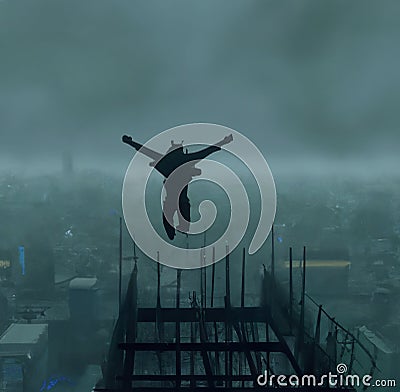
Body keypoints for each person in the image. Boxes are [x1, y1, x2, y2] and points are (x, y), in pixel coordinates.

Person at [122, 133, 233, 239]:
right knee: (183, 225)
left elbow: (145, 150)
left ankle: (175, 230)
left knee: (172, 224)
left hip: (170, 201)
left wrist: (130, 142)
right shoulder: (185, 160)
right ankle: (178, 229)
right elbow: (206, 151)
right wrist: (224, 142)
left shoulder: (166, 160)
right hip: (182, 201)